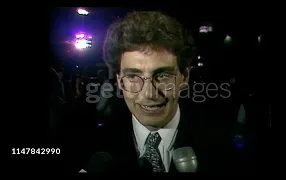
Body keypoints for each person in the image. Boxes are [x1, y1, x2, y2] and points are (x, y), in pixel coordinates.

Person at [61, 11, 255, 174]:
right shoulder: (86, 148)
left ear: (184, 77)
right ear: (120, 81)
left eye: (162, 75)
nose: (149, 93)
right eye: (133, 77)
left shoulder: (230, 148)